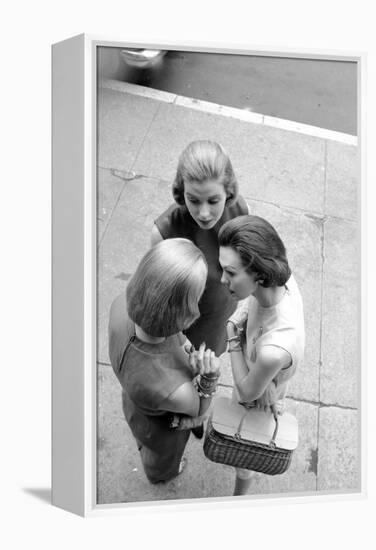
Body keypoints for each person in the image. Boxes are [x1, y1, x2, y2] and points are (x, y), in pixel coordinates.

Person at [108, 238, 220, 484]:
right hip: (160, 428)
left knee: (142, 438)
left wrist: (184, 345)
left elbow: (170, 333)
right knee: (160, 458)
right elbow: (199, 409)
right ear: (185, 312)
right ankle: (162, 474)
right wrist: (210, 377)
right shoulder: (174, 390)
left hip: (134, 402)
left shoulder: (120, 306)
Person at [218, 215, 305, 496]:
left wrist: (232, 337)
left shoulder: (273, 349)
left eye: (230, 273)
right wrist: (243, 314)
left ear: (260, 275)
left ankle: (238, 502)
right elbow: (255, 304)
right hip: (266, 379)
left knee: (245, 454)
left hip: (258, 396)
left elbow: (245, 392)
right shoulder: (282, 279)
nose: (222, 279)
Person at [151, 140, 249, 356]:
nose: (204, 213)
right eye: (193, 200)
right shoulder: (164, 233)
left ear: (229, 192)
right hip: (182, 336)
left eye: (213, 201)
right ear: (180, 192)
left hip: (222, 320)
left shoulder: (241, 211)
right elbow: (160, 303)